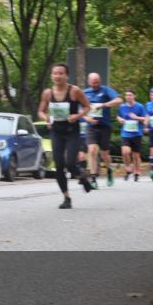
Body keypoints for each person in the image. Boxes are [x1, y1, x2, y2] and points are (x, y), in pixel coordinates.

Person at [38, 63, 94, 209]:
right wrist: (46, 118)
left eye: (61, 73)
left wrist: (78, 115)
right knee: (59, 165)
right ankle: (66, 197)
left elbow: (88, 107)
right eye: (55, 73)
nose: (58, 76)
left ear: (66, 75)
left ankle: (82, 176)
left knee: (70, 163)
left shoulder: (74, 91)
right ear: (51, 75)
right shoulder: (47, 93)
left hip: (72, 131)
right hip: (56, 131)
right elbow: (41, 111)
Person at [83, 73, 122, 188]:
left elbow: (119, 100)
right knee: (92, 150)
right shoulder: (85, 93)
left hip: (105, 126)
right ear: (89, 82)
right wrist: (87, 118)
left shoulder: (105, 90)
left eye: (97, 82)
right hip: (91, 126)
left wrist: (104, 105)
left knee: (105, 153)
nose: (95, 84)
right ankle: (93, 178)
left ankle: (109, 169)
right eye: (93, 82)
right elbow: (78, 110)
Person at [116, 90, 147, 182]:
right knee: (125, 152)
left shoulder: (139, 106)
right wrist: (120, 119)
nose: (128, 97)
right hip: (125, 133)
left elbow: (145, 118)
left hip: (137, 134)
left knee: (135, 155)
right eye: (126, 95)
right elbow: (118, 116)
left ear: (134, 96)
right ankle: (128, 168)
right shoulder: (122, 107)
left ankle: (137, 171)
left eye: (130, 95)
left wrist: (136, 118)